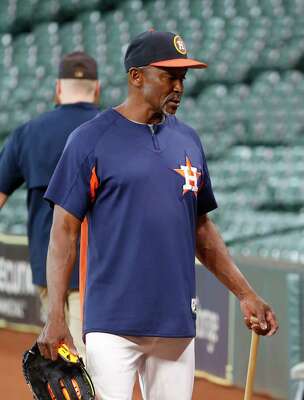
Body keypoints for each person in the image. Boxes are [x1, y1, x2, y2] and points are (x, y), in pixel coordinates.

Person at [36, 30, 278, 399]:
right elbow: (63, 232)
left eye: (183, 77)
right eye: (169, 76)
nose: (179, 86)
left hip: (175, 323)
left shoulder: (188, 140)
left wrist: (245, 294)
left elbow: (201, 228)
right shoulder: (90, 140)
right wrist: (56, 314)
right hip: (111, 323)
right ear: (136, 77)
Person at [0, 51, 100, 359]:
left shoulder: (28, 133)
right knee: (92, 365)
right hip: (95, 269)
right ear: (96, 89)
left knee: (61, 363)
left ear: (58, 88)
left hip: (49, 269)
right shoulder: (111, 130)